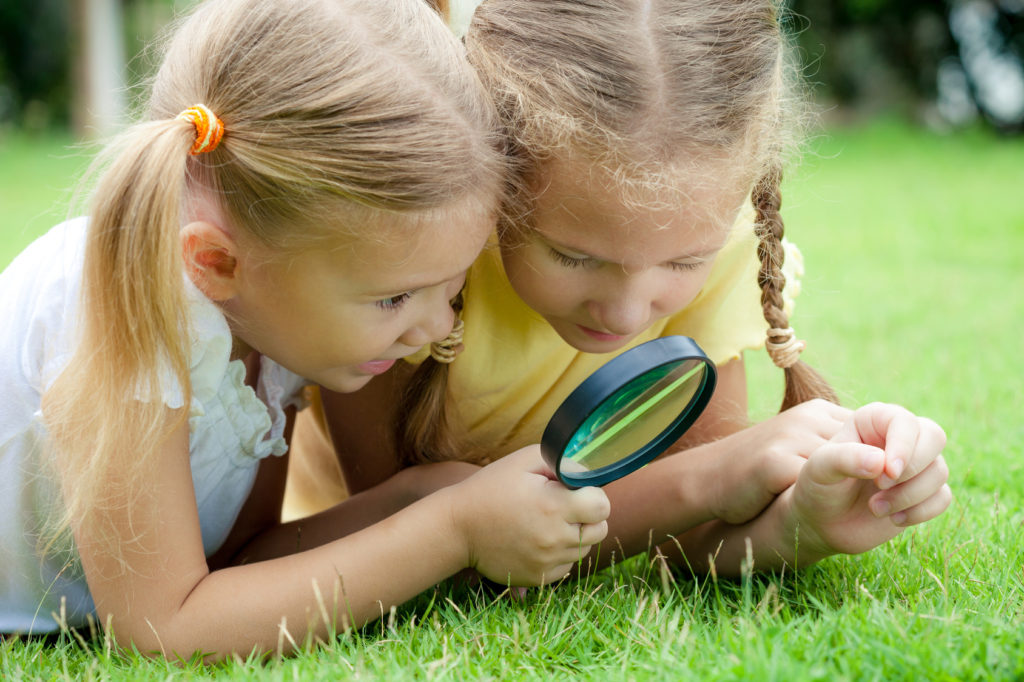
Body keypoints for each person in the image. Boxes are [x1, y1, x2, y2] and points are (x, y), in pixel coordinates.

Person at [0, 0, 612, 659]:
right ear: (215, 262)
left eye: (451, 286)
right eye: (395, 298)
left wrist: (423, 495)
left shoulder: (274, 318)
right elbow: (166, 630)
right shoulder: (124, 314)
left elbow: (242, 562)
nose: (436, 327)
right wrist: (452, 531)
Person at [285, 0, 951, 577]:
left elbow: (683, 538)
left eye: (685, 261)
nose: (628, 312)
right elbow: (419, 545)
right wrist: (714, 477)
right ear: (494, 166)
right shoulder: (411, 259)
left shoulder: (729, 249)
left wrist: (800, 518)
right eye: (573, 256)